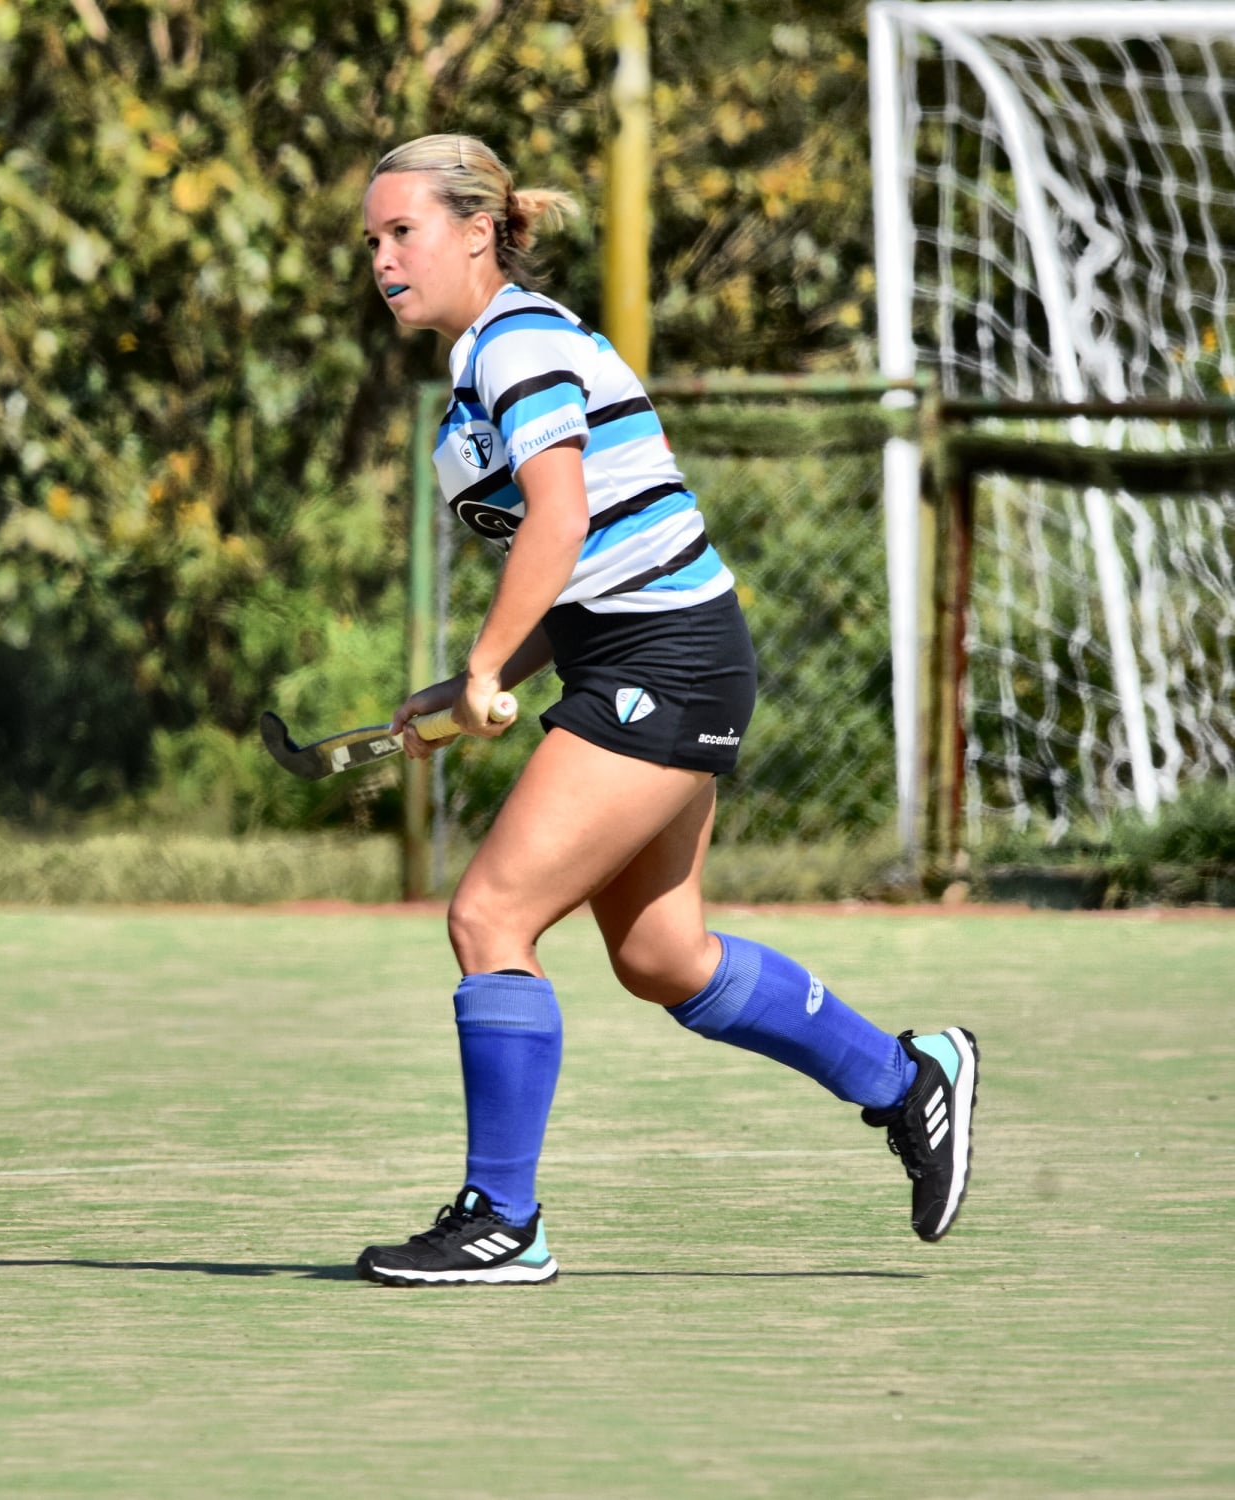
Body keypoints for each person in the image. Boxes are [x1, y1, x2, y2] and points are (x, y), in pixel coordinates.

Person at [353, 134, 978, 1287]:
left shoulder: (518, 345)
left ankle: (503, 1221)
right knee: (661, 956)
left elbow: (557, 518)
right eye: (372, 241)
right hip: (634, 652)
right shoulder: (486, 356)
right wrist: (483, 675)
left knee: (489, 916)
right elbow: (586, 558)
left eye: (404, 232)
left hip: (665, 659)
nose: (383, 259)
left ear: (477, 233)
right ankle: (908, 1081)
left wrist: (487, 663)